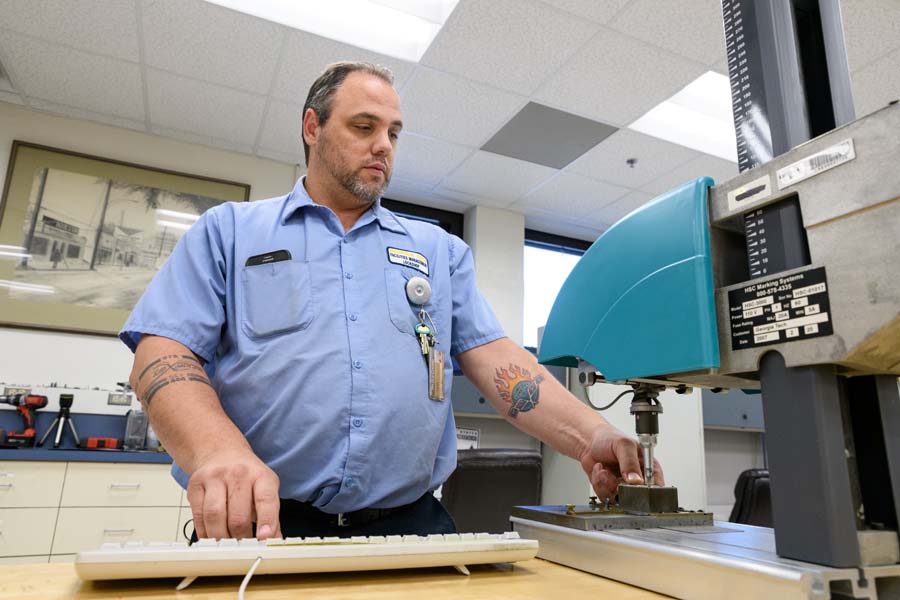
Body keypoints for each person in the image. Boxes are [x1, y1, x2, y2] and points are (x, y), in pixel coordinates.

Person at [121, 61, 662, 542]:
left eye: (394, 133)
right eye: (364, 127)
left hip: (412, 526)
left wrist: (591, 435)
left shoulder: (436, 250)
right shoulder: (230, 232)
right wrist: (216, 452)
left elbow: (498, 362)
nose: (383, 145)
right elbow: (161, 353)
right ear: (312, 128)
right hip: (264, 526)